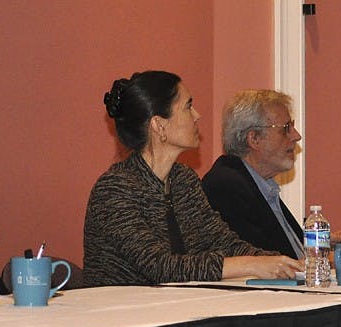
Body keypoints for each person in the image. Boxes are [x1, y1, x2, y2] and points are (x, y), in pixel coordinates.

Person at [83, 71, 304, 286]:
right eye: (188, 106)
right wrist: (250, 265)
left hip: (174, 312)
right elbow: (161, 267)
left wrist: (284, 263)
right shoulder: (114, 189)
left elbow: (221, 241)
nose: (197, 115)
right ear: (159, 125)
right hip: (121, 318)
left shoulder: (183, 180)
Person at [201, 90, 341, 258]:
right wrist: (326, 261)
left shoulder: (259, 184)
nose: (297, 136)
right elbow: (260, 261)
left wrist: (320, 243)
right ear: (254, 139)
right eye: (286, 129)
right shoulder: (226, 186)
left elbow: (277, 244)